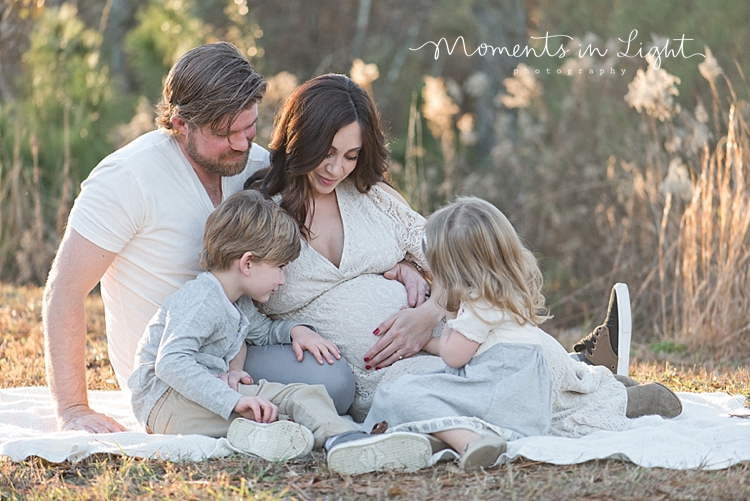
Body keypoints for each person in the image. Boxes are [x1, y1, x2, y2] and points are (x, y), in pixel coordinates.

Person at [249, 73, 633, 421]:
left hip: (441, 333)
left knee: (520, 348)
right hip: (377, 367)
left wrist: (430, 310)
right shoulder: (263, 212)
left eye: (351, 156)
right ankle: (592, 378)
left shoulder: (371, 197)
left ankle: (591, 376)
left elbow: (455, 260)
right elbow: (239, 305)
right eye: (326, 153)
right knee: (475, 380)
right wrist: (291, 330)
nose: (336, 169)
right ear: (301, 139)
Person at [42, 42, 362, 433]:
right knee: (333, 385)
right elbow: (65, 289)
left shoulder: (256, 164)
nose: (243, 144)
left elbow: (335, 202)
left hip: (239, 344)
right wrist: (74, 408)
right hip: (174, 364)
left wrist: (401, 264)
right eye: (227, 134)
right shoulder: (128, 178)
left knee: (336, 378)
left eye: (250, 128)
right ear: (181, 124)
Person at [361, 197, 683, 470]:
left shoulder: (477, 305)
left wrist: (442, 311)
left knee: (400, 393)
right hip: (528, 407)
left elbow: (454, 356)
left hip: (500, 400)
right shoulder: (509, 294)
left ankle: (471, 442)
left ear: (455, 272)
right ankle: (609, 383)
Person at [129, 190, 433, 471]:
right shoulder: (201, 299)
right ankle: (333, 439)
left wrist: (295, 331)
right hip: (166, 402)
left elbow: (261, 332)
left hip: (200, 396)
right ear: (248, 263)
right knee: (286, 404)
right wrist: (232, 400)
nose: (283, 280)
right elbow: (170, 362)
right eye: (279, 268)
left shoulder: (236, 302)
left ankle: (321, 439)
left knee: (295, 401)